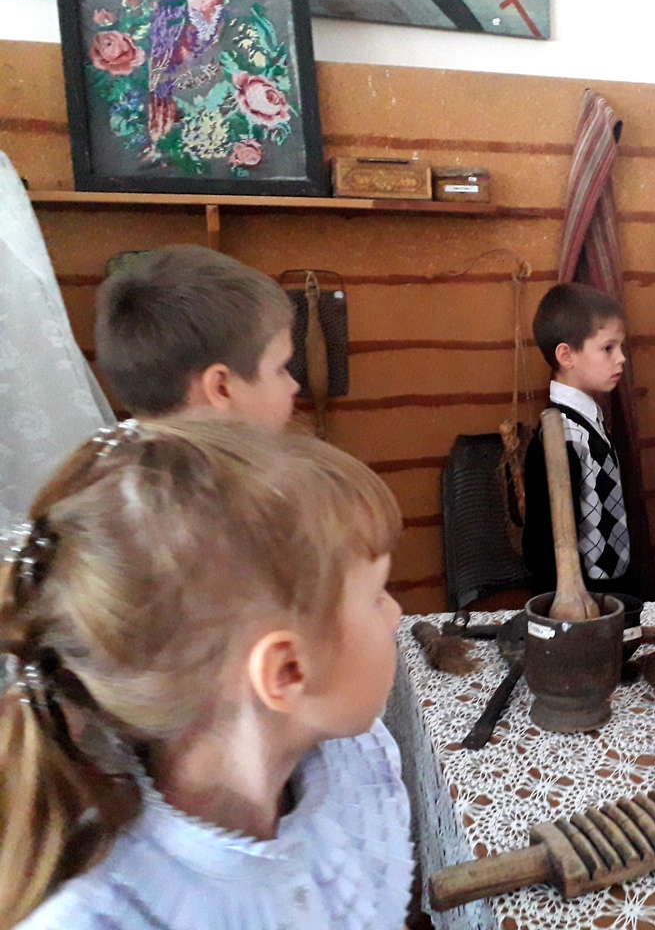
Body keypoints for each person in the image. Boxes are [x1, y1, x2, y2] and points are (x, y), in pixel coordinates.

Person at [2, 420, 414, 928]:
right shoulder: (111, 916)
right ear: (286, 672)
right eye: (377, 595)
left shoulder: (353, 766)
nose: (395, 614)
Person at [522, 282, 642, 601]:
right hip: (581, 603)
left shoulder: (588, 422)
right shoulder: (560, 436)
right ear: (566, 355)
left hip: (609, 592)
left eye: (620, 347)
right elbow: (542, 546)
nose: (621, 359)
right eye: (608, 348)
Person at [95, 245, 299, 430]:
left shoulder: (106, 456)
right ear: (221, 388)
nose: (294, 385)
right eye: (280, 369)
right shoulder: (242, 462)